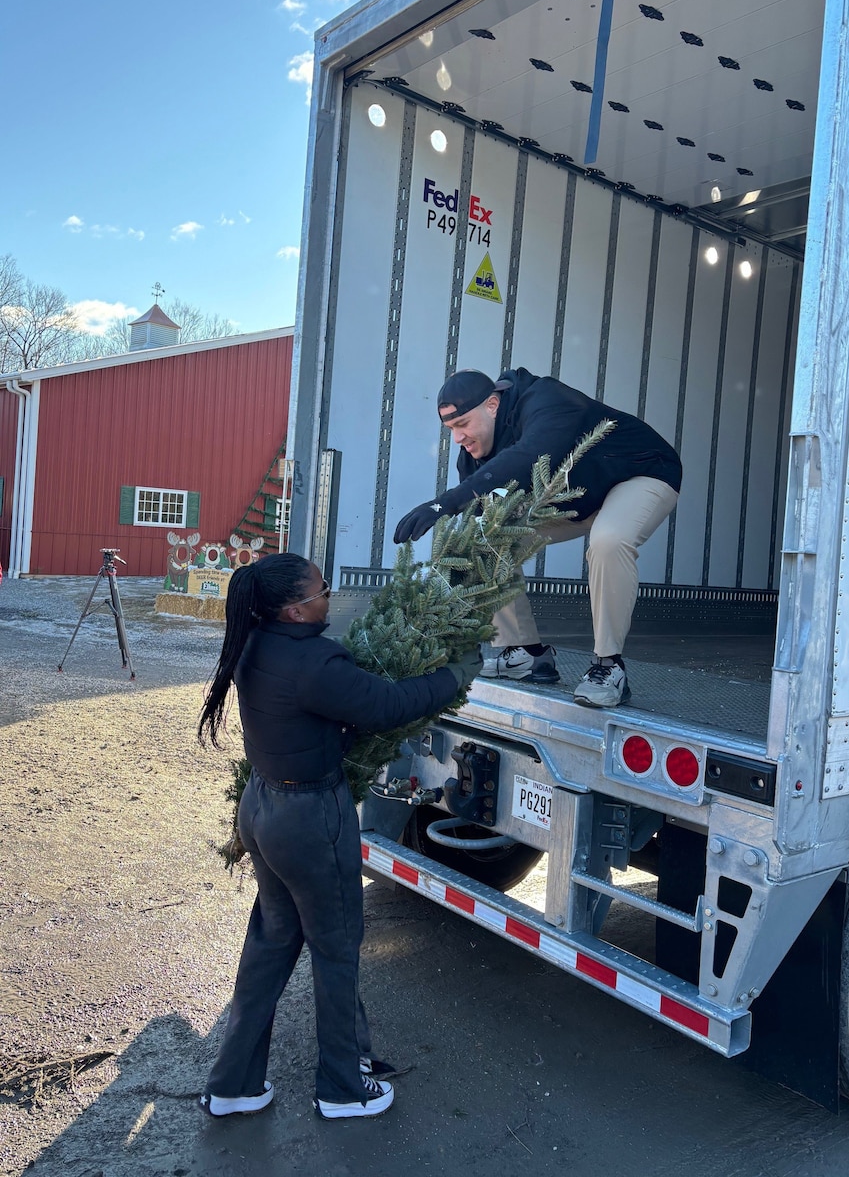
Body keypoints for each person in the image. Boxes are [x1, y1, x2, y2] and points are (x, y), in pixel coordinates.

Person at [197, 553, 480, 1121]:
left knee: (271, 943)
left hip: (263, 807)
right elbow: (388, 705)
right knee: (335, 949)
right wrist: (454, 675)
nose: (331, 596)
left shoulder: (256, 642)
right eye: (323, 589)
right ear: (297, 609)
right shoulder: (313, 663)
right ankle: (343, 1089)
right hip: (309, 819)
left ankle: (233, 1083)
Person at [393, 367, 681, 709]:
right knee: (487, 538)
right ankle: (527, 654)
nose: (458, 438)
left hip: (640, 472)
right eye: (451, 429)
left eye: (463, 424)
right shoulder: (475, 457)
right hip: (581, 498)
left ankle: (609, 665)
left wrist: (447, 501)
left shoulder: (546, 400)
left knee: (609, 539)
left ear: (492, 405)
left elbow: (531, 454)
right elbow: (478, 523)